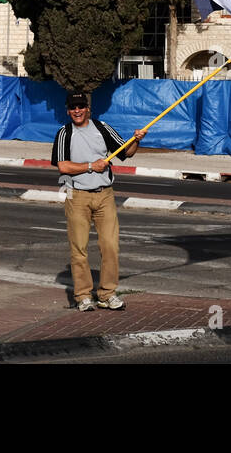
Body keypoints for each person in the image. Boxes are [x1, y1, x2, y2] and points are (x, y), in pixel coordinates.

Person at [51, 91, 145, 311]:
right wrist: (92, 166)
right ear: (68, 110)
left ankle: (107, 294)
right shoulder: (64, 133)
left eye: (81, 106)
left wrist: (137, 140)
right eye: (73, 107)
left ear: (88, 109)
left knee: (110, 246)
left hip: (105, 195)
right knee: (79, 248)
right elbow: (63, 166)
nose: (77, 111)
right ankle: (83, 296)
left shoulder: (102, 128)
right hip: (77, 196)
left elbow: (126, 152)